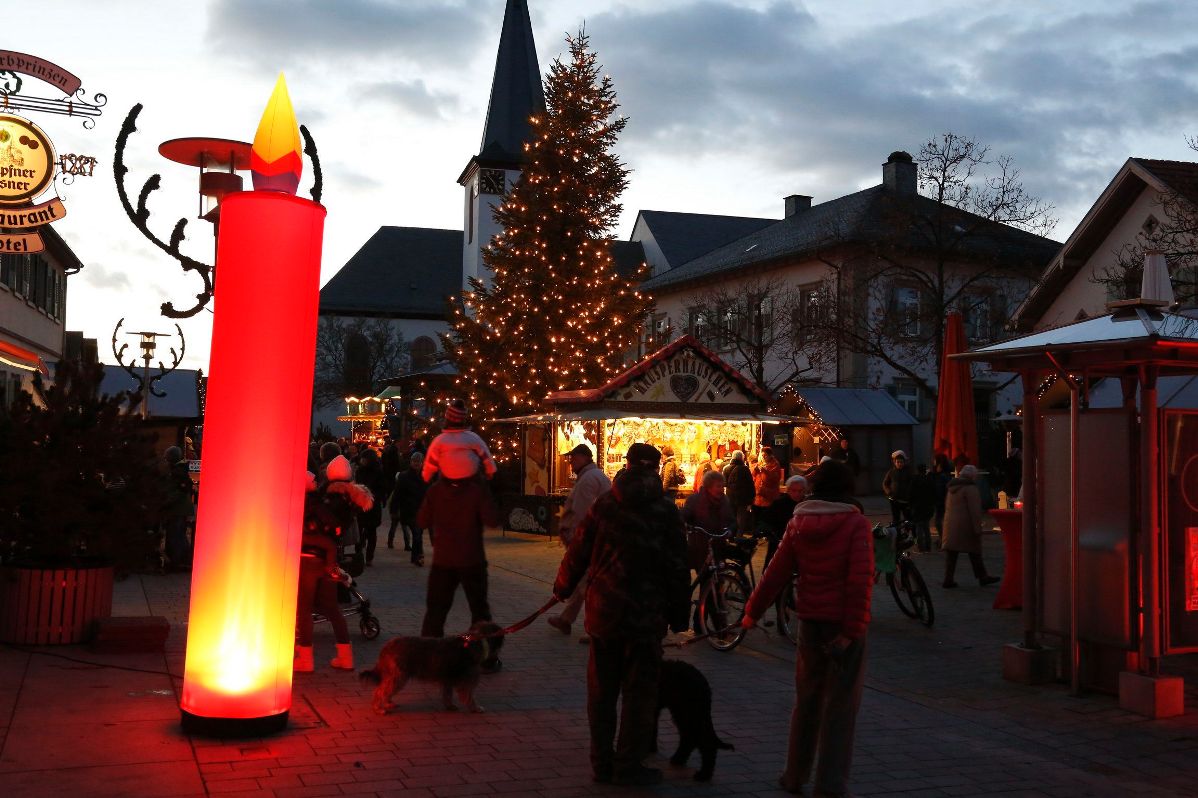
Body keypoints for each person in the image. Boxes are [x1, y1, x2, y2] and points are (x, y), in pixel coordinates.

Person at [553, 443, 690, 786]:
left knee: (601, 692)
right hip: (646, 616)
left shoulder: (606, 504)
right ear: (656, 469)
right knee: (640, 694)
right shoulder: (665, 511)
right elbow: (677, 567)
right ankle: (628, 762)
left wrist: (563, 587)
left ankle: (601, 763)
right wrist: (680, 615)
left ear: (627, 465)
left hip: (605, 612)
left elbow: (580, 549)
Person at [741, 459, 873, 798]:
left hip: (810, 623)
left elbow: (776, 571)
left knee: (807, 701)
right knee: (840, 708)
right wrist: (853, 630)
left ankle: (794, 775)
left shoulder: (799, 521)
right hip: (843, 626)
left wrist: (752, 611)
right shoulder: (855, 524)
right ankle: (829, 785)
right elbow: (860, 583)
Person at [297, 456, 373, 672]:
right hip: (329, 558)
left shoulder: (318, 500)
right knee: (331, 607)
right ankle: (345, 656)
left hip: (309, 557)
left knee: (303, 609)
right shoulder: (349, 500)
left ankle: (305, 658)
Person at [416, 460, 500, 642]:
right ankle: (486, 655)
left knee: (436, 611)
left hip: (443, 559)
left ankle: (430, 653)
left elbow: (422, 521)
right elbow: (492, 519)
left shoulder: (435, 491)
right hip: (472, 558)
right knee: (479, 611)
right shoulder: (476, 491)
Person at [547, 444, 612, 639]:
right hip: (596, 537)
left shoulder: (588, 480)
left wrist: (575, 537)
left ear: (584, 458)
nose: (571, 462)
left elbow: (583, 513)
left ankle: (595, 628)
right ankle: (568, 619)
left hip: (590, 539)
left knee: (588, 583)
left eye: (573, 458)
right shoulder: (593, 476)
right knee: (586, 581)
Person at [682, 469, 735, 635]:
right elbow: (685, 516)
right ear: (708, 486)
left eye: (722, 486)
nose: (721, 489)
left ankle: (701, 623)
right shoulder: (695, 500)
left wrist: (731, 530)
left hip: (718, 546)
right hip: (700, 548)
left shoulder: (725, 501)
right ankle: (718, 627)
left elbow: (732, 520)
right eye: (718, 486)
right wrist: (687, 525)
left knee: (715, 586)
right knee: (708, 585)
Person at [941, 464, 1001, 588]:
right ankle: (983, 577)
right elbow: (975, 511)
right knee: (975, 552)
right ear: (972, 476)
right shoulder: (970, 489)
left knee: (951, 554)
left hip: (950, 525)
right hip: (966, 526)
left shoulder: (952, 487)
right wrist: (977, 528)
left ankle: (948, 579)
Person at [422, 399, 498, 483]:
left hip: (447, 483)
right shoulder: (472, 437)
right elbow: (485, 455)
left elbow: (431, 461)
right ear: (463, 420)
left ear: (447, 419)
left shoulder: (440, 440)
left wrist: (426, 476)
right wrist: (490, 470)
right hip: (471, 482)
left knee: (432, 494)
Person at [760, 475, 807, 569]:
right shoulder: (779, 504)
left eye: (800, 491)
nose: (797, 494)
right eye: (794, 490)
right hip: (779, 544)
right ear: (788, 490)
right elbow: (766, 520)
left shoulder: (807, 505)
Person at [161, 445, 195, 570]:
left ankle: (177, 561)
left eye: (166, 456)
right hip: (180, 508)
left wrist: (165, 503)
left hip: (177, 509)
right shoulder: (180, 470)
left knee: (175, 535)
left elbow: (177, 492)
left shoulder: (176, 472)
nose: (165, 458)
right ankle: (181, 559)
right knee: (179, 534)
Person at [392, 451, 429, 565]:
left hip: (422, 510)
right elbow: (397, 494)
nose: (416, 463)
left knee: (418, 533)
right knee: (417, 533)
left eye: (419, 461)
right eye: (414, 461)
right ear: (411, 462)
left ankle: (416, 556)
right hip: (409, 509)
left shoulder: (426, 476)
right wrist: (394, 509)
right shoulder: (404, 476)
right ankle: (418, 556)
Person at [354, 447, 387, 566]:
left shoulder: (378, 472)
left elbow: (382, 489)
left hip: (373, 506)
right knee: (359, 531)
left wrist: (372, 497)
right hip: (361, 506)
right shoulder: (359, 471)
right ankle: (358, 555)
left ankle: (369, 557)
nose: (361, 461)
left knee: (371, 532)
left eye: (364, 459)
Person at [722, 450, 755, 533]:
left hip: (730, 496)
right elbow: (750, 484)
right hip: (743, 497)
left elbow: (724, 483)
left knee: (731, 516)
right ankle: (739, 535)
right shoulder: (745, 469)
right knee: (741, 516)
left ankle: (731, 534)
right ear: (742, 458)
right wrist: (752, 497)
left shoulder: (726, 468)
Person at [909, 464, 937, 552]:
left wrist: (911, 506)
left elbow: (911, 494)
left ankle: (921, 547)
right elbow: (934, 493)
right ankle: (928, 547)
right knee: (926, 528)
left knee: (919, 528)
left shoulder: (914, 479)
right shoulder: (930, 479)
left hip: (917, 507)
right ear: (925, 470)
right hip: (928, 507)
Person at [882, 450, 913, 526]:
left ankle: (910, 535)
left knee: (908, 519)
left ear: (904, 462)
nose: (899, 464)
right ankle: (898, 536)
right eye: (898, 462)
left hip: (905, 500)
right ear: (894, 462)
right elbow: (885, 483)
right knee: (896, 519)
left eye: (901, 462)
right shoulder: (891, 472)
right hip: (894, 500)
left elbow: (912, 484)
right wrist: (888, 492)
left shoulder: (908, 472)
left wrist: (909, 494)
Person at [752, 445, 785, 519]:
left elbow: (775, 479)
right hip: (758, 497)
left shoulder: (775, 465)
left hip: (768, 497)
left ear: (770, 455)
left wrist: (765, 471)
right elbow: (753, 476)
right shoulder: (761, 463)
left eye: (765, 455)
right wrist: (755, 470)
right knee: (756, 518)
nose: (763, 457)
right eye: (762, 455)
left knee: (766, 518)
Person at [932, 453, 953, 542]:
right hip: (941, 501)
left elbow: (942, 489)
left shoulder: (942, 476)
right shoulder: (942, 475)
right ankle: (943, 539)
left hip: (942, 502)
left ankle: (944, 539)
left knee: (939, 522)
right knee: (940, 521)